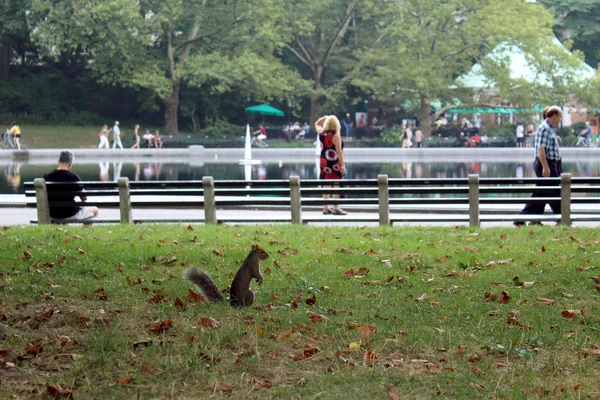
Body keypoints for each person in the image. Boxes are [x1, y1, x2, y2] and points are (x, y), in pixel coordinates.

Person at [515, 106, 563, 226]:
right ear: (554, 116)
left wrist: (555, 139)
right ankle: (561, 217)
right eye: (559, 117)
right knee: (551, 192)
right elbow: (541, 149)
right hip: (547, 164)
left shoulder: (550, 128)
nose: (560, 119)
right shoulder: (545, 128)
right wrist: (545, 167)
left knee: (543, 192)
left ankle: (534, 220)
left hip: (552, 164)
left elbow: (545, 144)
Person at [43, 150, 99, 221]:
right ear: (70, 164)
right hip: (70, 213)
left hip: (52, 213)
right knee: (95, 210)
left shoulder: (47, 176)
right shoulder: (74, 177)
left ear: (58, 162)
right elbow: (84, 198)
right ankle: (86, 231)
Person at [317, 115, 347, 215]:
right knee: (336, 185)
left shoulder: (321, 133)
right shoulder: (336, 135)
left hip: (324, 162)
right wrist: (343, 165)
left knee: (326, 185)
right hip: (334, 162)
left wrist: (324, 118)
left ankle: (326, 207)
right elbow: (339, 151)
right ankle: (335, 208)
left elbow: (317, 124)